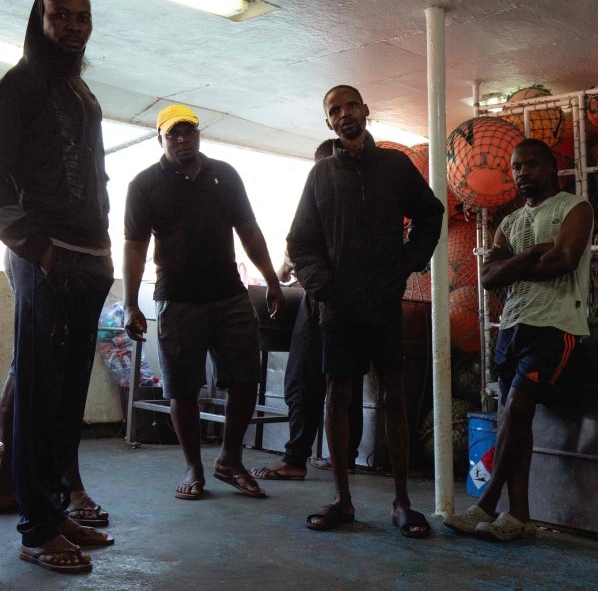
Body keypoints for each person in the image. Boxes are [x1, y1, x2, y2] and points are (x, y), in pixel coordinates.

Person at [0, 0, 114, 574]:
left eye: (82, 17)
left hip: (89, 260)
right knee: (35, 392)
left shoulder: (81, 92)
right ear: (40, 18)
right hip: (44, 260)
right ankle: (33, 528)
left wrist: (102, 252)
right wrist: (39, 251)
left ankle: (54, 513)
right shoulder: (18, 86)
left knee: (65, 397)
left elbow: (94, 178)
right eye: (61, 16)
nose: (73, 27)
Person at [288, 85, 444, 537]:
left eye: (350, 106)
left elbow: (430, 215)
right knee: (338, 397)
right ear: (329, 123)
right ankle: (342, 500)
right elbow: (300, 242)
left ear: (366, 111)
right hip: (338, 310)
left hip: (382, 306)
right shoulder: (320, 177)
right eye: (334, 111)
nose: (344, 115)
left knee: (394, 397)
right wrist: (324, 287)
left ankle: (401, 503)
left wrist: (408, 264)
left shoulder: (395, 167)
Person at [123, 103, 285, 501]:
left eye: (189, 132)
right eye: (173, 134)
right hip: (177, 301)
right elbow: (134, 246)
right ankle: (194, 467)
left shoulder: (224, 175)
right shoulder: (144, 185)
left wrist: (271, 280)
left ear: (198, 135)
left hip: (230, 296)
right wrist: (130, 303)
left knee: (245, 380)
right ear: (159, 138)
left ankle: (230, 459)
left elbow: (249, 230)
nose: (182, 140)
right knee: (182, 390)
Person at [443, 138, 593, 542]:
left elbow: (563, 260)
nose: (521, 172)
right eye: (515, 167)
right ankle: (520, 516)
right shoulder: (509, 223)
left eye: (530, 165)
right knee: (515, 420)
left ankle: (487, 503)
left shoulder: (573, 208)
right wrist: (531, 256)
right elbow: (488, 278)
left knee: (517, 411)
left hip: (555, 325)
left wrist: (513, 265)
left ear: (550, 167)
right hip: (512, 325)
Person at [251, 142, 364, 482]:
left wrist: (283, 274)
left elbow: (291, 257)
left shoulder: (322, 196)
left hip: (321, 300)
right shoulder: (365, 195)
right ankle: (344, 457)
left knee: (301, 377)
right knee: (347, 381)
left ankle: (295, 458)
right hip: (359, 301)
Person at [0, 249, 109, 528]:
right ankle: (66, 490)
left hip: (68, 252)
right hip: (49, 251)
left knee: (34, 363)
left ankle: (10, 487)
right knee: (46, 363)